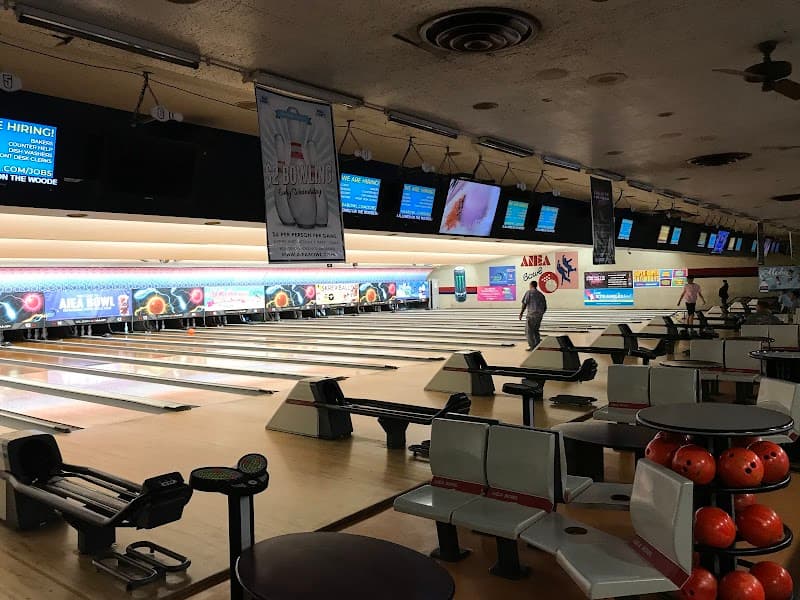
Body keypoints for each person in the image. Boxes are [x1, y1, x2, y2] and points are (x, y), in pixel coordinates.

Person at [519, 280, 547, 351]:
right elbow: (545, 307)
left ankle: (532, 346)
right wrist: (541, 314)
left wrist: (521, 313)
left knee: (529, 331)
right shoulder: (541, 294)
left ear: (531, 285)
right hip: (539, 316)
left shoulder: (529, 292)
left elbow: (524, 304)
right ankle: (537, 344)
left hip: (531, 315)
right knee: (536, 330)